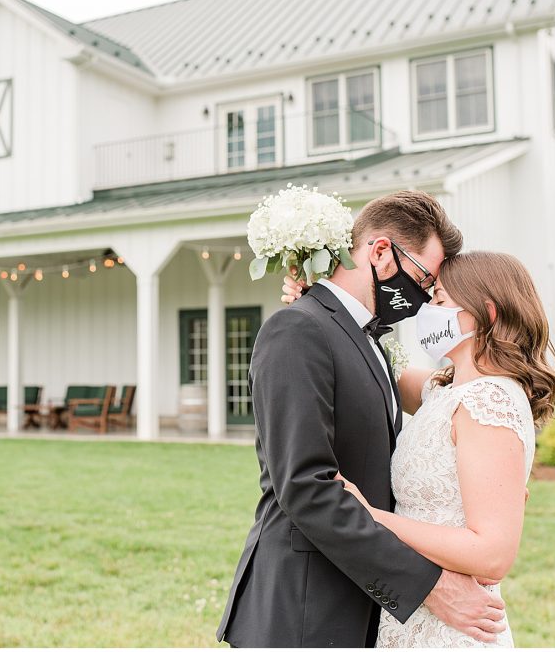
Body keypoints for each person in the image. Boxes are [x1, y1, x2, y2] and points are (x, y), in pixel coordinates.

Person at [216, 191, 509, 648]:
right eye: (423, 277)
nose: (424, 298)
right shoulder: (298, 329)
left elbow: (450, 398)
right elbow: (307, 489)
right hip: (304, 609)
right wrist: (429, 585)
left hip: (358, 603)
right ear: (380, 252)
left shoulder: (368, 340)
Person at [283, 250, 555, 647]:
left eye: (442, 299)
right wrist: (324, 307)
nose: (428, 309)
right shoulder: (447, 390)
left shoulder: (492, 401)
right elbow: (370, 369)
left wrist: (372, 516)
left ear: (488, 313)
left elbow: (493, 554)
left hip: (454, 627)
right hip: (411, 615)